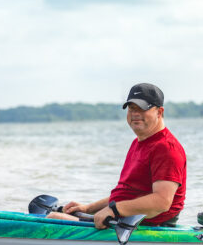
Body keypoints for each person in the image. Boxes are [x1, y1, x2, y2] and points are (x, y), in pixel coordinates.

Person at [50, 83, 186, 229]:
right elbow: (127, 194)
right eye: (132, 108)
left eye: (142, 108)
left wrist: (114, 210)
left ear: (159, 112)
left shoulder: (166, 148)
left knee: (53, 218)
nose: (135, 113)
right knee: (54, 216)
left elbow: (161, 202)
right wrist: (88, 208)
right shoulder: (139, 143)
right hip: (123, 219)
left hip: (147, 227)